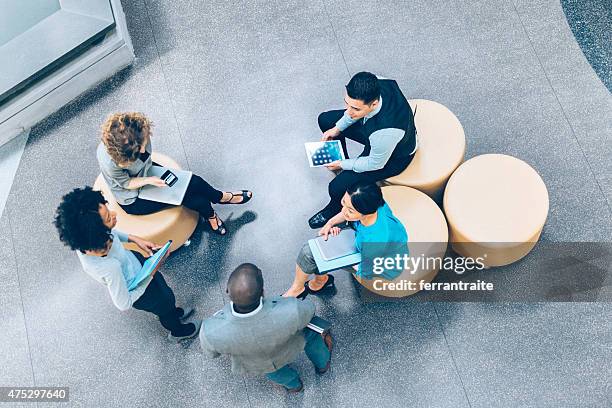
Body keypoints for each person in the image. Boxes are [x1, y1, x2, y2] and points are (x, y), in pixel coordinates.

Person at [54, 186, 200, 342]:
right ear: (97, 235)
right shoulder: (109, 268)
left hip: (137, 265)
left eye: (109, 212)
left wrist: (136, 240)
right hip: (142, 291)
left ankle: (172, 310)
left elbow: (113, 234)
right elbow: (123, 303)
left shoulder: (89, 240)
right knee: (163, 303)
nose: (114, 214)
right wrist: (151, 273)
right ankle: (177, 331)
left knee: (166, 295)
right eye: (109, 219)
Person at [97, 112, 253, 235]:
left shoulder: (137, 133)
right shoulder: (111, 162)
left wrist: (149, 174)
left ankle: (220, 197)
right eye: (139, 151)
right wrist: (148, 180)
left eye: (143, 143)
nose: (144, 151)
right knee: (188, 197)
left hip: (145, 173)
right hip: (132, 197)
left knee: (194, 182)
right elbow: (126, 183)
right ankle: (212, 214)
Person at [200, 263, 332, 393]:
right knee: (311, 334)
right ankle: (322, 364)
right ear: (263, 292)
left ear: (227, 291)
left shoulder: (210, 331)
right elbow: (309, 310)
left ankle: (294, 386)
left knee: (274, 371)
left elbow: (212, 353)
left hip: (257, 361)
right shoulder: (292, 310)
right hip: (290, 346)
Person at [309, 72, 417, 229]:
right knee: (325, 120)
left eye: (355, 108)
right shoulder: (376, 82)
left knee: (336, 187)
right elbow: (351, 114)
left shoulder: (384, 134)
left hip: (393, 158)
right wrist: (336, 129)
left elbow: (374, 164)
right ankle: (345, 167)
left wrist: (343, 164)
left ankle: (334, 209)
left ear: (373, 104)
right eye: (347, 104)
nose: (349, 111)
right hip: (375, 136)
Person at [284, 181, 408, 298]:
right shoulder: (374, 202)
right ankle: (320, 280)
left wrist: (336, 253)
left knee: (312, 253)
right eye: (344, 203)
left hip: (374, 263)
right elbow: (347, 214)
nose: (344, 211)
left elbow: (367, 270)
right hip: (366, 243)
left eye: (350, 211)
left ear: (366, 212)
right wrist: (330, 223)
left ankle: (300, 288)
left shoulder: (375, 240)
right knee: (321, 246)